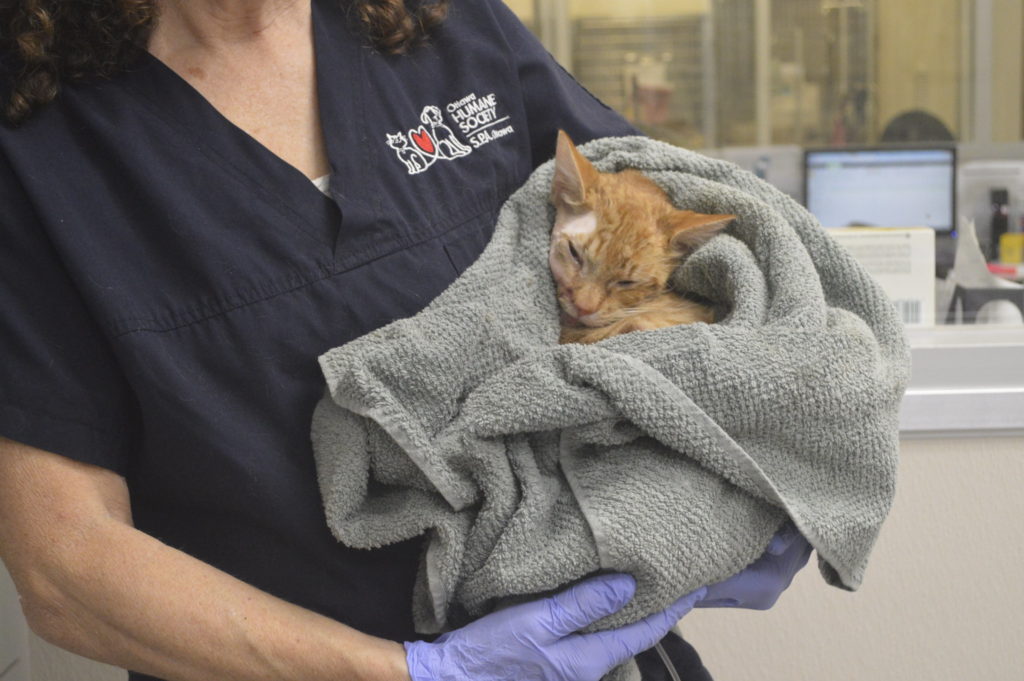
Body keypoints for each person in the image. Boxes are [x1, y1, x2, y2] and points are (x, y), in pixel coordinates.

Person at [0, 2, 812, 680]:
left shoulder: (442, 24)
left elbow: (667, 219)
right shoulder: (36, 149)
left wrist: (757, 462)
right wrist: (413, 671)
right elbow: (65, 565)